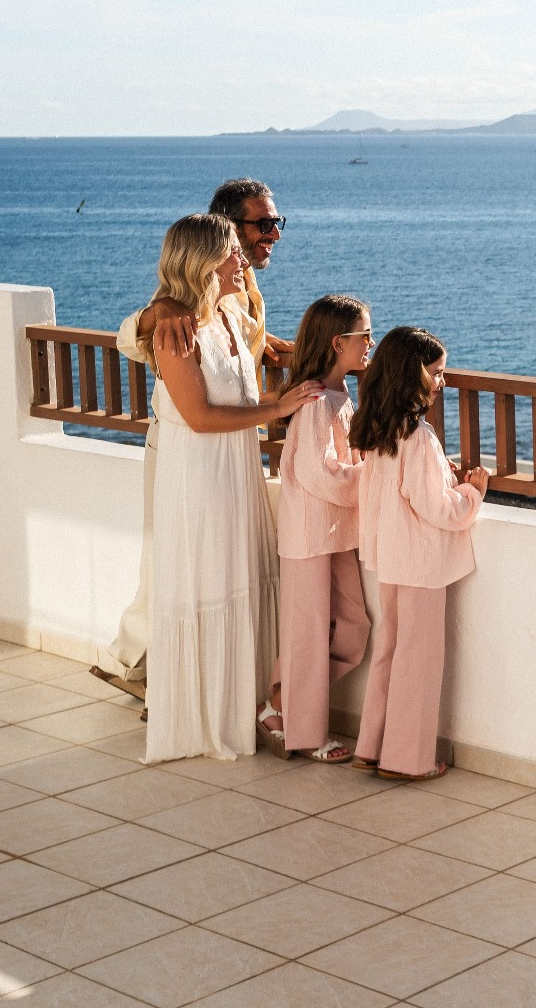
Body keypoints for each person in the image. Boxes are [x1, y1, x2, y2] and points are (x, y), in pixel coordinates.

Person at [98, 179, 316, 693]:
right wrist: (155, 313)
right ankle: (152, 679)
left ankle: (177, 680)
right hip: (186, 449)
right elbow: (130, 340)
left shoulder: (239, 288)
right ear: (229, 231)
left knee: (206, 572)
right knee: (173, 570)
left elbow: (228, 337)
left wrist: (266, 344)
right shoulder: (176, 300)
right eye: (263, 224)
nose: (274, 234)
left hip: (230, 446)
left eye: (276, 222)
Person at [140, 214, 308, 763]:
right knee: (211, 582)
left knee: (242, 578)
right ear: (203, 262)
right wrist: (279, 408)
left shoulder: (233, 316)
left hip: (237, 470)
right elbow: (200, 416)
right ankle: (206, 719)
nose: (243, 261)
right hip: (200, 478)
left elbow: (248, 381)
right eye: (232, 252)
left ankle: (246, 707)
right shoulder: (173, 331)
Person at [348, 327, 487, 780]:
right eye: (438, 373)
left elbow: (401, 487)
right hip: (420, 564)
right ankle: (407, 760)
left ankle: (372, 747)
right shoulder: (419, 436)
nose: (443, 381)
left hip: (390, 557)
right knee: (419, 659)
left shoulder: (379, 429)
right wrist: (471, 492)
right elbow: (436, 507)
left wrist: (440, 474)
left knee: (390, 652)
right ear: (415, 375)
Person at [259, 294, 373, 762]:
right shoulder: (314, 402)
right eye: (364, 335)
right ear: (337, 343)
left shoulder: (338, 394)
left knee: (352, 627)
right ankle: (305, 733)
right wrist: (373, 476)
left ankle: (280, 702)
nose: (370, 343)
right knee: (307, 633)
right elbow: (318, 472)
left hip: (337, 529)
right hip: (309, 532)